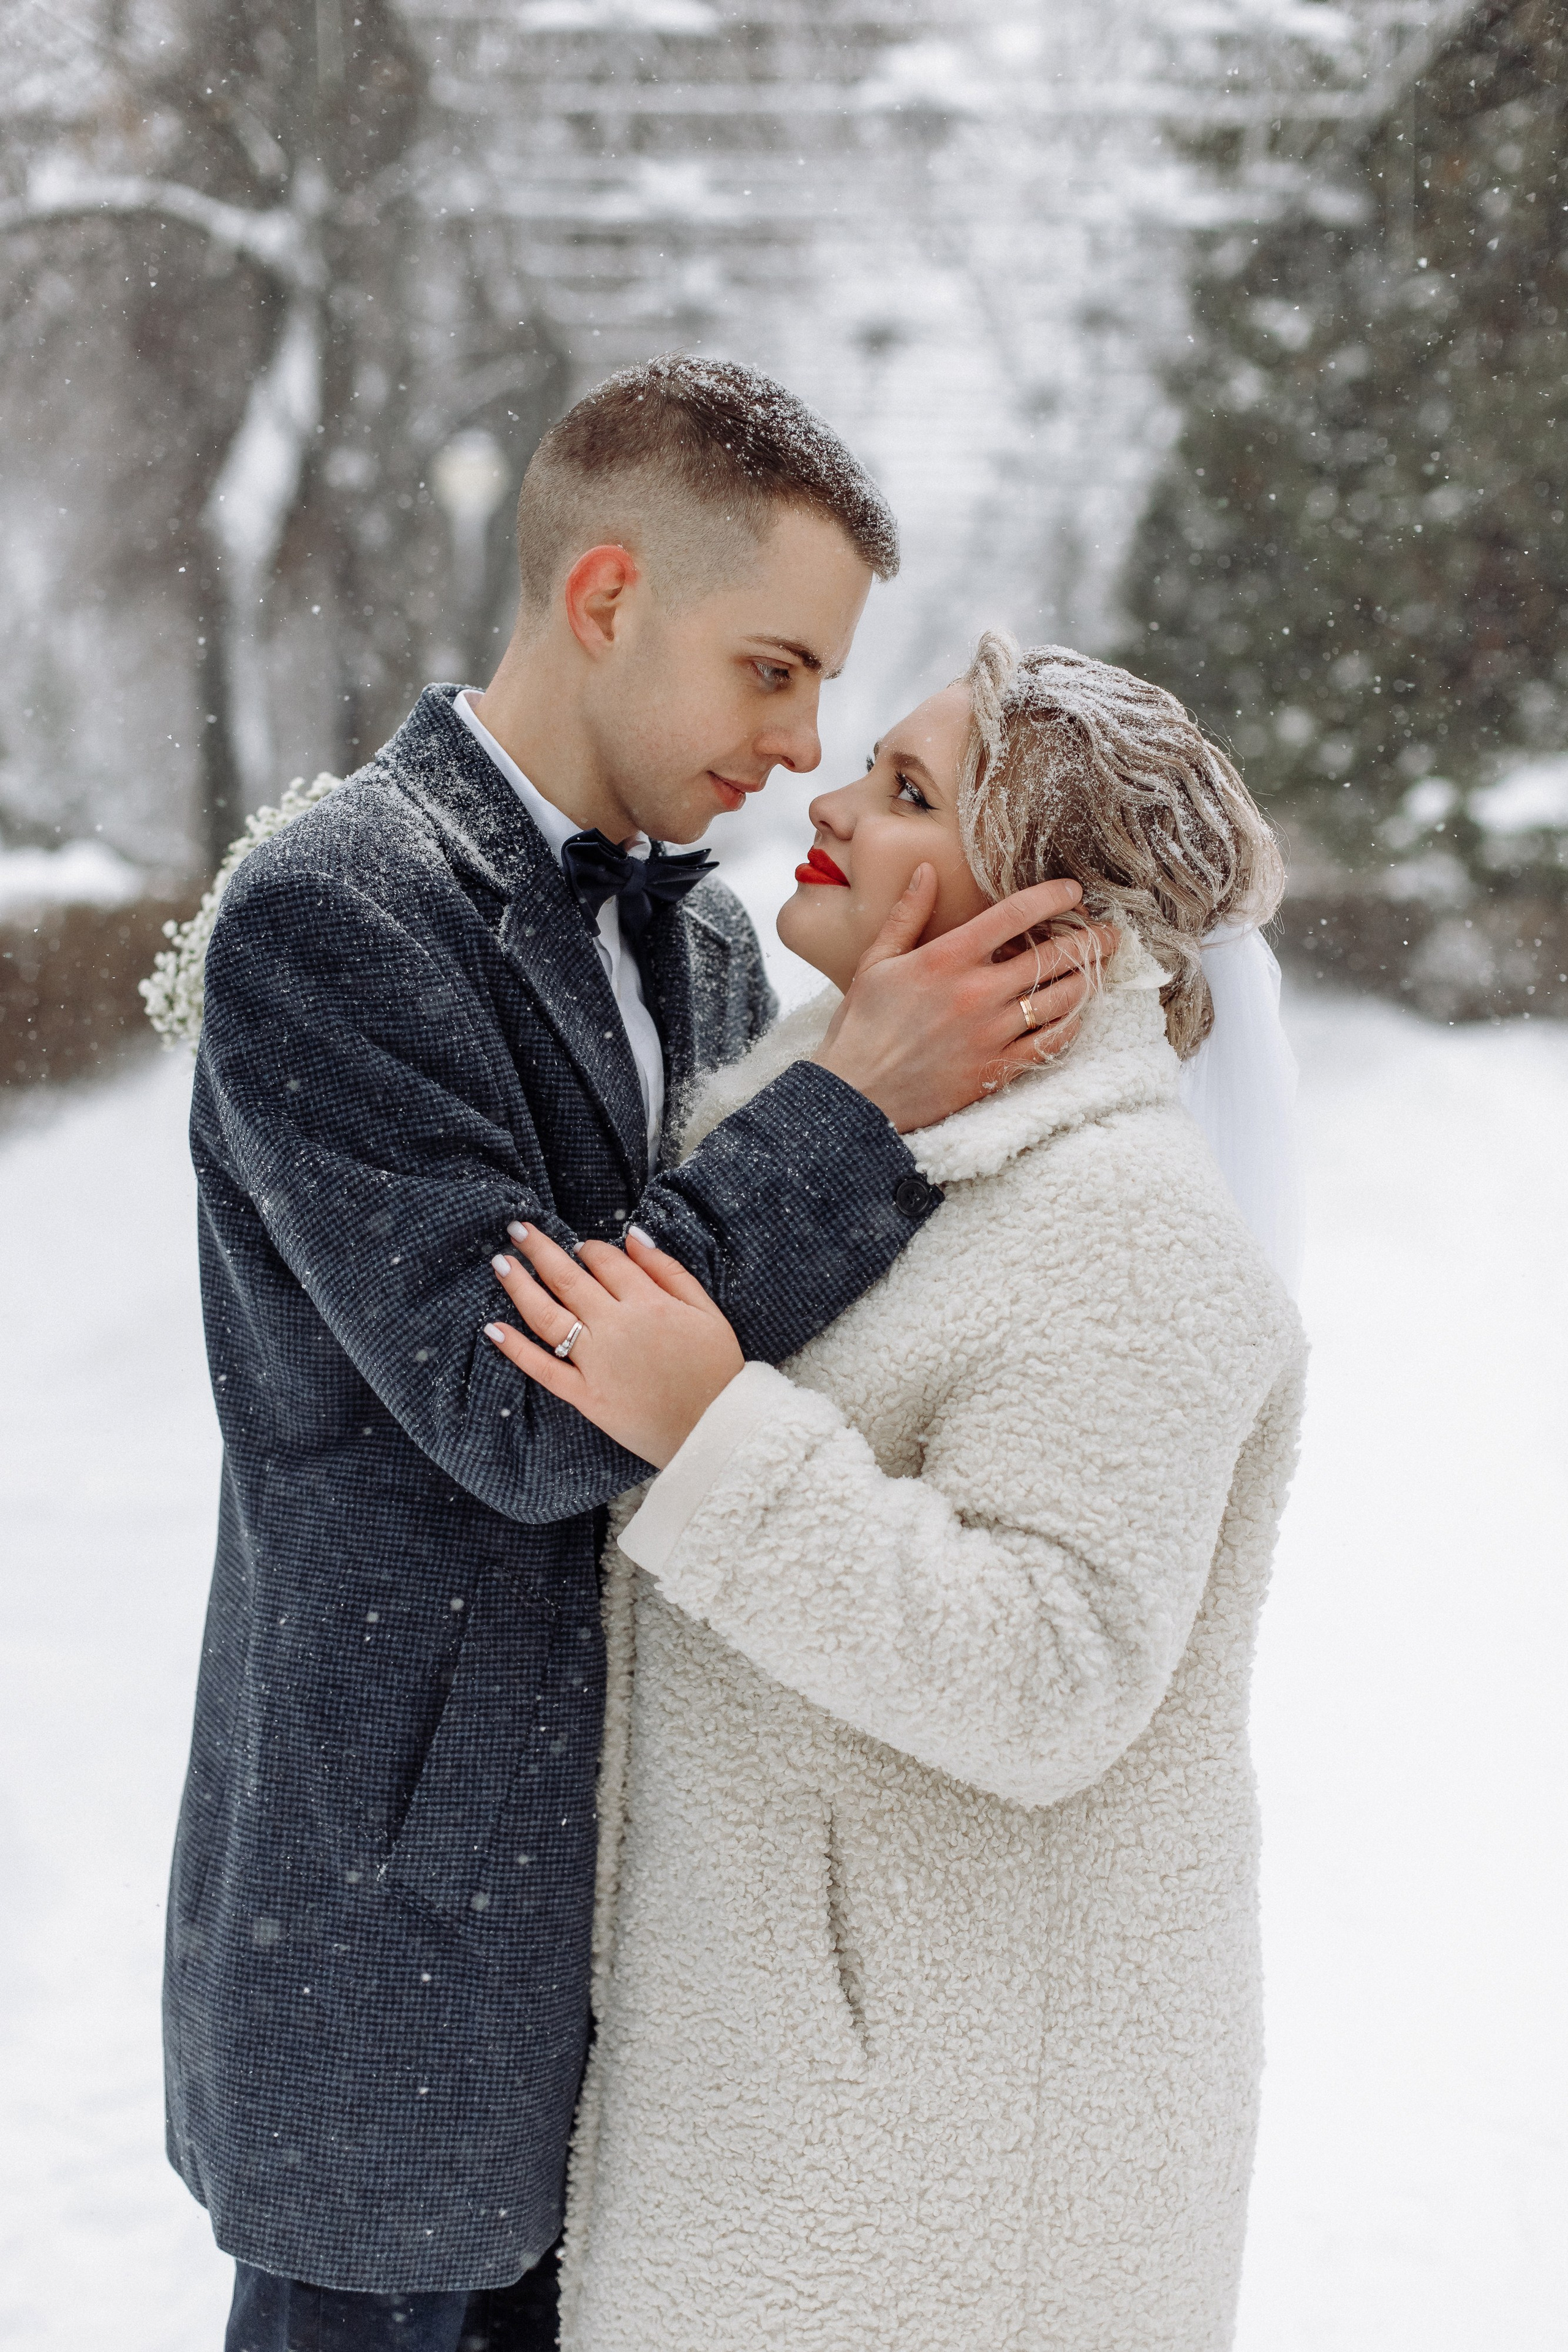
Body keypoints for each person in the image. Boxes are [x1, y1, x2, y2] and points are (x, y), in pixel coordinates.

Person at [167, 361, 1104, 2352]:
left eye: (831, 690)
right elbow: (519, 1406)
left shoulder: (701, 949)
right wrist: (851, 1104)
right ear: (607, 598)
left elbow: (774, 1339)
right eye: (773, 670)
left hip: (656, 1951)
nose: (805, 741)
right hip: (401, 1942)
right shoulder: (331, 919)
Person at [480, 633, 1309, 2352]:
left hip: (947, 2199)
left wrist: (712, 1435)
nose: (831, 800)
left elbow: (1051, 1671)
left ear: (1055, 929)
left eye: (912, 791)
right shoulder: (842, 1146)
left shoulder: (1130, 1229)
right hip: (790, 2136)